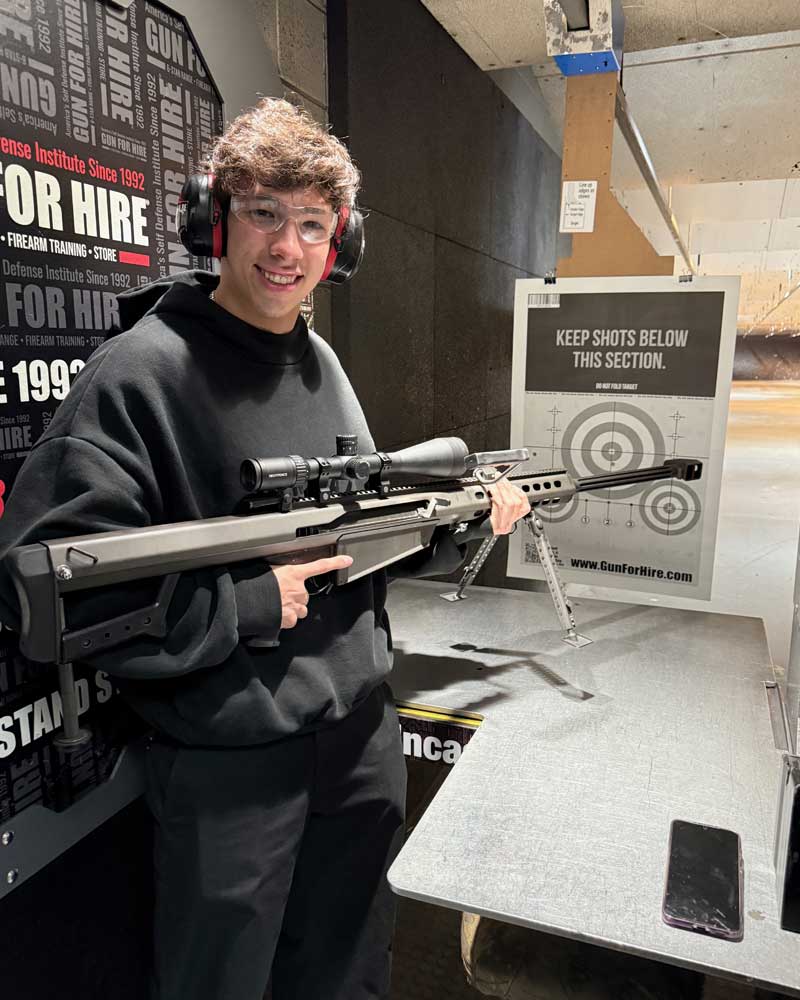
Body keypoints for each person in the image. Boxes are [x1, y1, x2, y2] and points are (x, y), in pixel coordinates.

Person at [0, 98, 529, 1000]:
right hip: (232, 765)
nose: (287, 247)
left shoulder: (321, 365)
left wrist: (463, 522)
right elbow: (50, 587)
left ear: (340, 245)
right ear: (215, 221)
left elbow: (363, 542)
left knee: (350, 969)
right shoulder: (140, 374)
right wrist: (242, 603)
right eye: (264, 214)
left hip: (359, 735)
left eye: (313, 224)